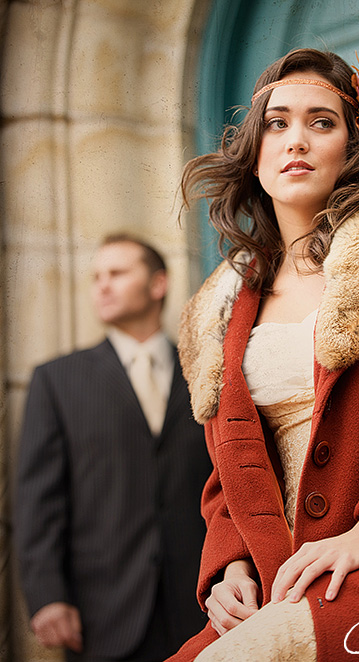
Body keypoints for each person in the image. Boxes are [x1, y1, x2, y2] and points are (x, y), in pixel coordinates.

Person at [169, 48, 359, 661]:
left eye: (321, 122)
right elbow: (226, 475)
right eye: (277, 123)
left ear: (354, 145)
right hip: (278, 579)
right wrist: (230, 566)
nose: (296, 141)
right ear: (254, 153)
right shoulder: (223, 307)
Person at [14, 235, 211, 661]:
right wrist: (48, 594)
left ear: (158, 284)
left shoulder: (203, 372)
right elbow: (38, 500)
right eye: (96, 277)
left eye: (117, 273)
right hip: (100, 613)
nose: (102, 286)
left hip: (201, 610)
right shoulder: (57, 380)